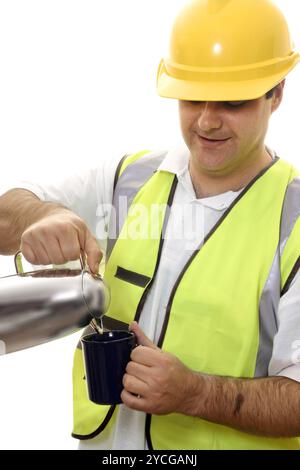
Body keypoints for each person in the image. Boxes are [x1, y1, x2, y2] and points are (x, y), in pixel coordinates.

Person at [1, 0, 300, 450]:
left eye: (232, 101)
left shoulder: (291, 220)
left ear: (275, 93)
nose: (206, 120)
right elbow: (7, 214)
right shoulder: (129, 180)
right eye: (192, 96)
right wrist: (43, 216)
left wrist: (197, 394)